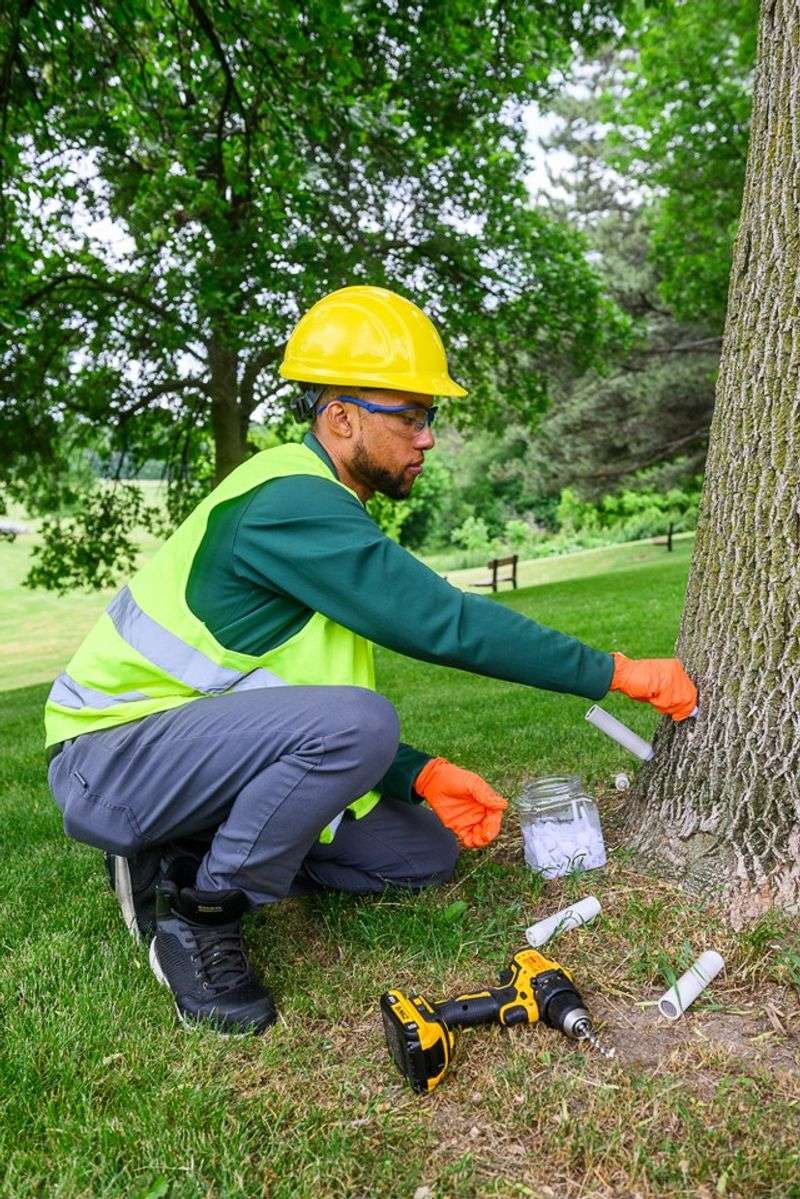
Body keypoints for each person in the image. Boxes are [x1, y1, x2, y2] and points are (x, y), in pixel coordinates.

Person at [44, 285, 697, 1035]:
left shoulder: (325, 511)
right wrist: (619, 673)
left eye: (431, 418)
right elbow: (442, 623)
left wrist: (417, 773)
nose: (426, 439)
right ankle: (200, 915)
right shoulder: (292, 501)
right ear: (342, 417)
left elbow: (289, 691)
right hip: (111, 758)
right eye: (412, 417)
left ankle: (186, 844)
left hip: (184, 751)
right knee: (363, 722)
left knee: (421, 853)